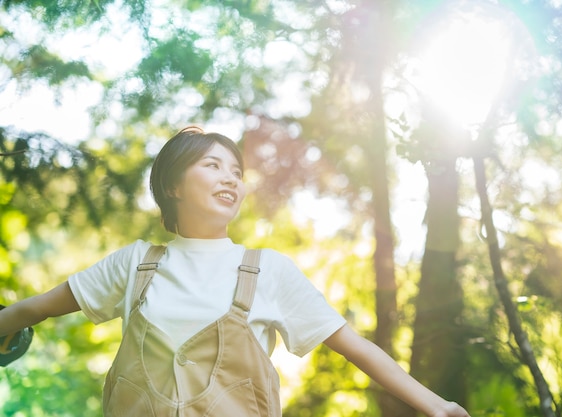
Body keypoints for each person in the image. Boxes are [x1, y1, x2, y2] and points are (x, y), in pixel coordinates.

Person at [0, 126, 471, 417]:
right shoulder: (136, 263)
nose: (230, 178)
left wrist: (435, 405)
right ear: (173, 186)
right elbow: (33, 309)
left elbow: (355, 347)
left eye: (236, 171)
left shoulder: (270, 271)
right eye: (212, 165)